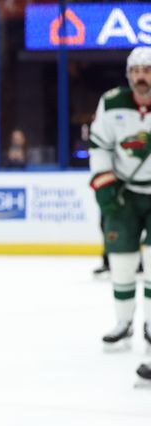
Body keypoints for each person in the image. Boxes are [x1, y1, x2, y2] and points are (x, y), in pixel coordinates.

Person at [89, 47, 151, 371]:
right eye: (136, 70)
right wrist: (105, 185)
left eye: (148, 70)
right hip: (124, 193)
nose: (142, 76)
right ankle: (124, 322)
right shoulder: (112, 102)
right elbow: (99, 146)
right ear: (128, 75)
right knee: (122, 263)